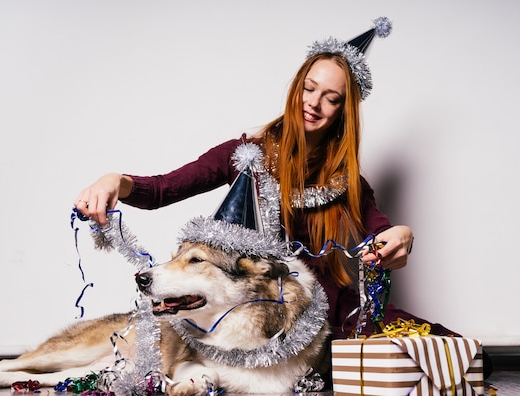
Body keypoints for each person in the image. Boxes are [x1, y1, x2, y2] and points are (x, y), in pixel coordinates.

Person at [74, 20, 458, 342]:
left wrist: (402, 235)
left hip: (326, 314)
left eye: (331, 98)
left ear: (344, 111)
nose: (314, 103)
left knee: (452, 349)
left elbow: (381, 232)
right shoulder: (243, 155)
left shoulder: (348, 182)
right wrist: (114, 181)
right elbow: (162, 189)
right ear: (296, 88)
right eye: (309, 88)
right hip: (250, 315)